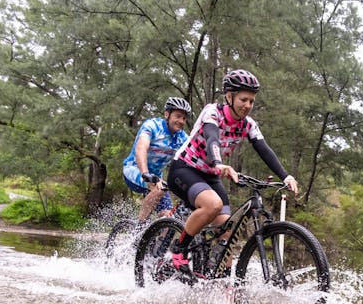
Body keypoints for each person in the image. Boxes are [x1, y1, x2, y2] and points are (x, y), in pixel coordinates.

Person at [167, 69, 299, 273]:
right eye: (243, 99)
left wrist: (286, 176)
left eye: (251, 101)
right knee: (213, 205)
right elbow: (212, 137)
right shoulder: (212, 112)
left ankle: (221, 281)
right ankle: (179, 250)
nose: (247, 105)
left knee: (226, 229)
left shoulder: (248, 124)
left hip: (209, 176)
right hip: (185, 168)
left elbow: (264, 149)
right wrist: (218, 162)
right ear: (229, 96)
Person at [122, 97, 191, 224]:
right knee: (159, 189)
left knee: (168, 217)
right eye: (178, 116)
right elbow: (141, 148)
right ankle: (138, 232)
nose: (181, 121)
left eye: (184, 118)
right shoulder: (152, 126)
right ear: (167, 114)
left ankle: (159, 241)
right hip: (135, 170)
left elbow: (193, 158)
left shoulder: (182, 138)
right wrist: (145, 173)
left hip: (157, 180)